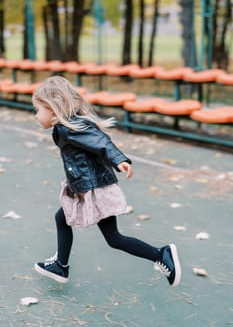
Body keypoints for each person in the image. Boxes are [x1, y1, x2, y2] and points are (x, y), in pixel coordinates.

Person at [32, 75, 181, 287]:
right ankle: (60, 266)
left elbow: (100, 141)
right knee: (63, 219)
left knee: (113, 238)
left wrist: (119, 159)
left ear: (52, 107)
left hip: (94, 189)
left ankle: (161, 254)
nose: (36, 116)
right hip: (84, 187)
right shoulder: (66, 128)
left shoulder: (69, 128)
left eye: (38, 110)